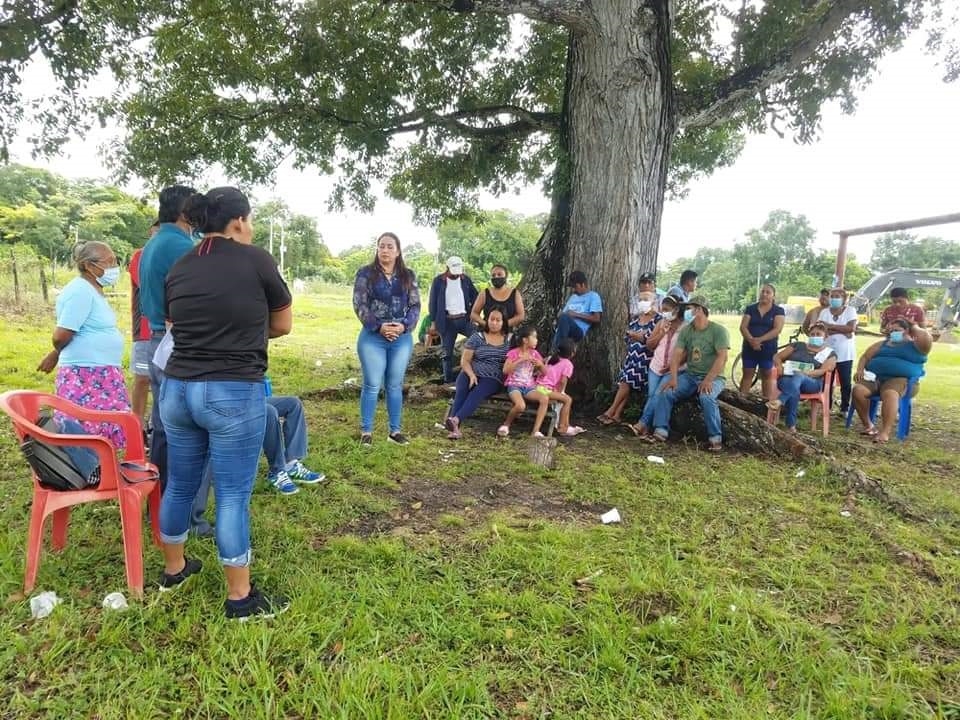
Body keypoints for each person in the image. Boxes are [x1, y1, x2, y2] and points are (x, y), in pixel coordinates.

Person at [157, 186, 293, 621]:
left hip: (176, 389)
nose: (251, 229)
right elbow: (283, 323)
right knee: (232, 495)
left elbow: (175, 325)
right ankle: (240, 598)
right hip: (232, 390)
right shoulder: (256, 259)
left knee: (179, 482)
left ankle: (174, 570)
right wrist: (245, 334)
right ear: (238, 222)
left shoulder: (180, 265)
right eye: (250, 221)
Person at [138, 185, 206, 529]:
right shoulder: (181, 245)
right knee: (188, 430)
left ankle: (159, 504)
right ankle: (187, 517)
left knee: (164, 428)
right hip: (177, 341)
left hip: (156, 339)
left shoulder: (154, 243)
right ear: (183, 212)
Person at [37, 241, 131, 448]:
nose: (114, 266)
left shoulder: (92, 289)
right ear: (89, 266)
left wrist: (54, 354)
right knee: (85, 432)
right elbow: (61, 335)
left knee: (101, 432)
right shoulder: (80, 291)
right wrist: (56, 351)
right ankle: (88, 475)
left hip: (100, 373)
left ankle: (99, 473)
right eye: (110, 261)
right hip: (86, 375)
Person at [353, 232, 421, 446]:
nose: (385, 250)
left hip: (401, 337)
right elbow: (359, 304)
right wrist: (379, 326)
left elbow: (415, 305)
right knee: (372, 384)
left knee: (394, 384)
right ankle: (366, 432)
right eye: (381, 246)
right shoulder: (365, 274)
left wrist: (404, 326)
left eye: (390, 247)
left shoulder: (408, 275)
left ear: (398, 251)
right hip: (373, 336)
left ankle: (395, 431)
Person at [651, 295, 729, 451]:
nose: (686, 311)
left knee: (706, 397)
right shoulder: (687, 330)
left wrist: (708, 380)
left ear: (699, 310)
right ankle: (661, 429)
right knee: (666, 391)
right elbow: (677, 356)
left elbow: (722, 358)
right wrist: (673, 378)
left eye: (689, 308)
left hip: (714, 377)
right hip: (691, 375)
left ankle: (715, 438)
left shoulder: (719, 331)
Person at [851, 318, 931, 443]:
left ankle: (885, 432)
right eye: (891, 330)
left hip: (902, 380)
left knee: (890, 394)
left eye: (897, 330)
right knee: (858, 390)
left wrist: (913, 325)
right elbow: (865, 357)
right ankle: (869, 426)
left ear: (907, 331)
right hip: (875, 378)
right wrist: (860, 370)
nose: (893, 333)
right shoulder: (882, 344)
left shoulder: (917, 346)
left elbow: (925, 336)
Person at [596, 288, 659, 425]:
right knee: (624, 383)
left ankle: (610, 411)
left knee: (626, 383)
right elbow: (628, 337)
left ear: (654, 302)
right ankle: (616, 414)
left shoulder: (657, 320)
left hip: (646, 360)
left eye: (646, 300)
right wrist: (634, 336)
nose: (643, 303)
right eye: (641, 300)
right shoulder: (636, 320)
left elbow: (653, 340)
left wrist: (640, 337)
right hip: (632, 357)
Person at [445, 305, 510, 440]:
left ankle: (455, 420)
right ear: (487, 320)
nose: (494, 323)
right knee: (462, 389)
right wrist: (471, 375)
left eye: (498, 320)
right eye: (492, 319)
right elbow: (465, 361)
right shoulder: (477, 337)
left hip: (492, 377)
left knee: (477, 392)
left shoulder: (509, 340)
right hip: (471, 372)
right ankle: (455, 427)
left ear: (504, 322)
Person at [623, 293, 683, 437]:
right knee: (651, 395)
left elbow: (685, 352)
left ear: (676, 310)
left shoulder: (685, 327)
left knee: (658, 394)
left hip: (672, 368)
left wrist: (673, 366)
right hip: (656, 366)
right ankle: (647, 427)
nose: (664, 313)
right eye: (663, 309)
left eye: (668, 309)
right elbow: (650, 345)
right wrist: (661, 333)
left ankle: (642, 424)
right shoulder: (661, 323)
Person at [767, 322, 837, 432]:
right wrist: (779, 365)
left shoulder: (830, 353)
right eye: (812, 334)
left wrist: (805, 373)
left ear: (826, 337)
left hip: (812, 382)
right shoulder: (798, 345)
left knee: (798, 376)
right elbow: (777, 356)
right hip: (787, 378)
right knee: (794, 388)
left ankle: (781, 400)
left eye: (818, 334)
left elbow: (823, 370)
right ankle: (791, 426)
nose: (815, 336)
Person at [262, 395, 326, 495]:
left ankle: (291, 464)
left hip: (253, 399)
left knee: (294, 404)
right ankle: (276, 471)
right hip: (234, 404)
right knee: (269, 411)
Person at [128, 221, 159, 425]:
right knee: (142, 378)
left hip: (167, 332)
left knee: (162, 382)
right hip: (146, 331)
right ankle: (136, 425)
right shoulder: (141, 256)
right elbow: (153, 284)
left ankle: (154, 424)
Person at [428, 256, 478, 382]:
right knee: (447, 353)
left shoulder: (465, 280)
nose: (456, 275)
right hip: (447, 322)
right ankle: (448, 380)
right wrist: (433, 322)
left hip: (465, 320)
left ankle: (474, 374)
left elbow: (476, 297)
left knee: (478, 341)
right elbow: (432, 302)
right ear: (447, 268)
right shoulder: (438, 281)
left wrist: (474, 314)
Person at [498, 325, 547, 437]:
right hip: (514, 385)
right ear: (525, 340)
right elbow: (505, 370)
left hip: (530, 387)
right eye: (534, 337)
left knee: (544, 398)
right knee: (520, 406)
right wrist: (520, 360)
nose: (536, 340)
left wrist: (540, 365)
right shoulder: (513, 353)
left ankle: (536, 431)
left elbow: (545, 373)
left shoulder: (535, 354)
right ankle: (506, 424)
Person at [738, 283, 785, 401]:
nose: (764, 294)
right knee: (747, 374)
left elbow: (777, 329)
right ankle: (741, 401)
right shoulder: (751, 308)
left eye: (768, 292)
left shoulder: (778, 310)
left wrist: (759, 340)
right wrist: (751, 340)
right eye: (762, 291)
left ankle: (765, 405)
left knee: (767, 376)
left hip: (768, 349)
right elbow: (743, 327)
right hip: (749, 348)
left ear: (773, 296)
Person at [531, 339, 585, 437]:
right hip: (544, 389)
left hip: (536, 386)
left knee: (565, 399)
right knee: (567, 400)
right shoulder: (568, 364)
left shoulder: (550, 358)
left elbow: (538, 367)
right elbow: (563, 381)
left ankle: (565, 425)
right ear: (572, 353)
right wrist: (559, 392)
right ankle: (563, 427)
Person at [818, 287, 858, 415]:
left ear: (844, 299)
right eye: (832, 296)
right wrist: (842, 329)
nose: (834, 299)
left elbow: (851, 328)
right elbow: (820, 329)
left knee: (845, 381)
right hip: (827, 351)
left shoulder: (850, 311)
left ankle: (844, 408)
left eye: (837, 296)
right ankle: (826, 406)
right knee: (826, 380)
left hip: (845, 352)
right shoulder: (824, 312)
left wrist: (830, 327)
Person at [554, 270, 603, 349]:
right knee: (561, 323)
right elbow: (564, 314)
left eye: (575, 287)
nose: (574, 290)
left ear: (583, 284)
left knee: (564, 319)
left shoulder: (593, 296)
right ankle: (556, 352)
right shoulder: (573, 297)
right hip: (564, 328)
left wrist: (575, 315)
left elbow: (596, 318)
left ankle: (562, 349)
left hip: (578, 330)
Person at [470, 263, 527, 330]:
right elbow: (474, 314)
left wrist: (503, 325)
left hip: (506, 333)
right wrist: (487, 325)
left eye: (499, 274)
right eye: (493, 275)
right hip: (486, 332)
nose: (496, 277)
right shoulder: (484, 293)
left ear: (506, 276)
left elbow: (521, 315)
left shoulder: (515, 294)